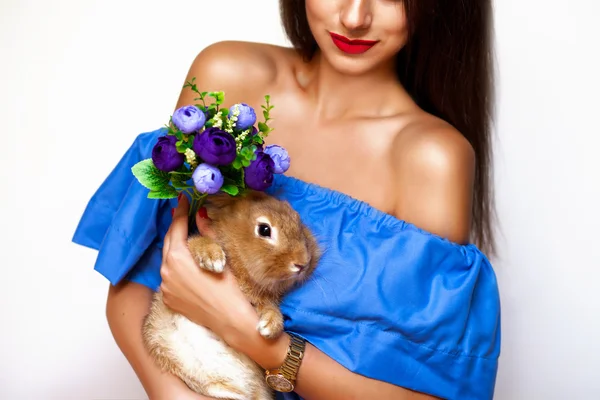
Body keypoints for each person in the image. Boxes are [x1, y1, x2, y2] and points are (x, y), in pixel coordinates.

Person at [73, 1, 501, 399]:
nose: (354, 17)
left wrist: (257, 339)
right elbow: (134, 271)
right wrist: (172, 393)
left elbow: (428, 392)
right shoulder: (227, 76)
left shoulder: (432, 159)